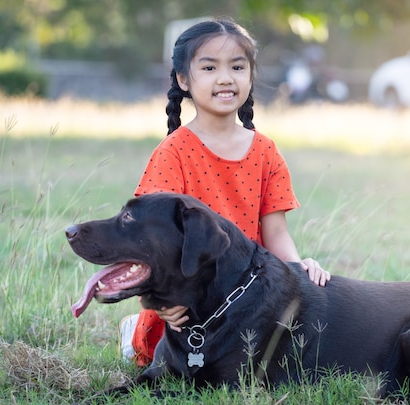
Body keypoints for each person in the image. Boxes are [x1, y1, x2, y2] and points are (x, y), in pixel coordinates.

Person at [120, 18, 331, 366]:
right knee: (177, 360)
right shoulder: (173, 152)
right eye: (209, 67)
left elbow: (275, 233)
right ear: (183, 79)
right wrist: (161, 304)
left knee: (285, 356)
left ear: (250, 75)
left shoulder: (266, 151)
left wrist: (297, 271)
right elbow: (152, 241)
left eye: (237, 66)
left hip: (246, 296)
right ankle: (135, 330)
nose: (225, 78)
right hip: (186, 302)